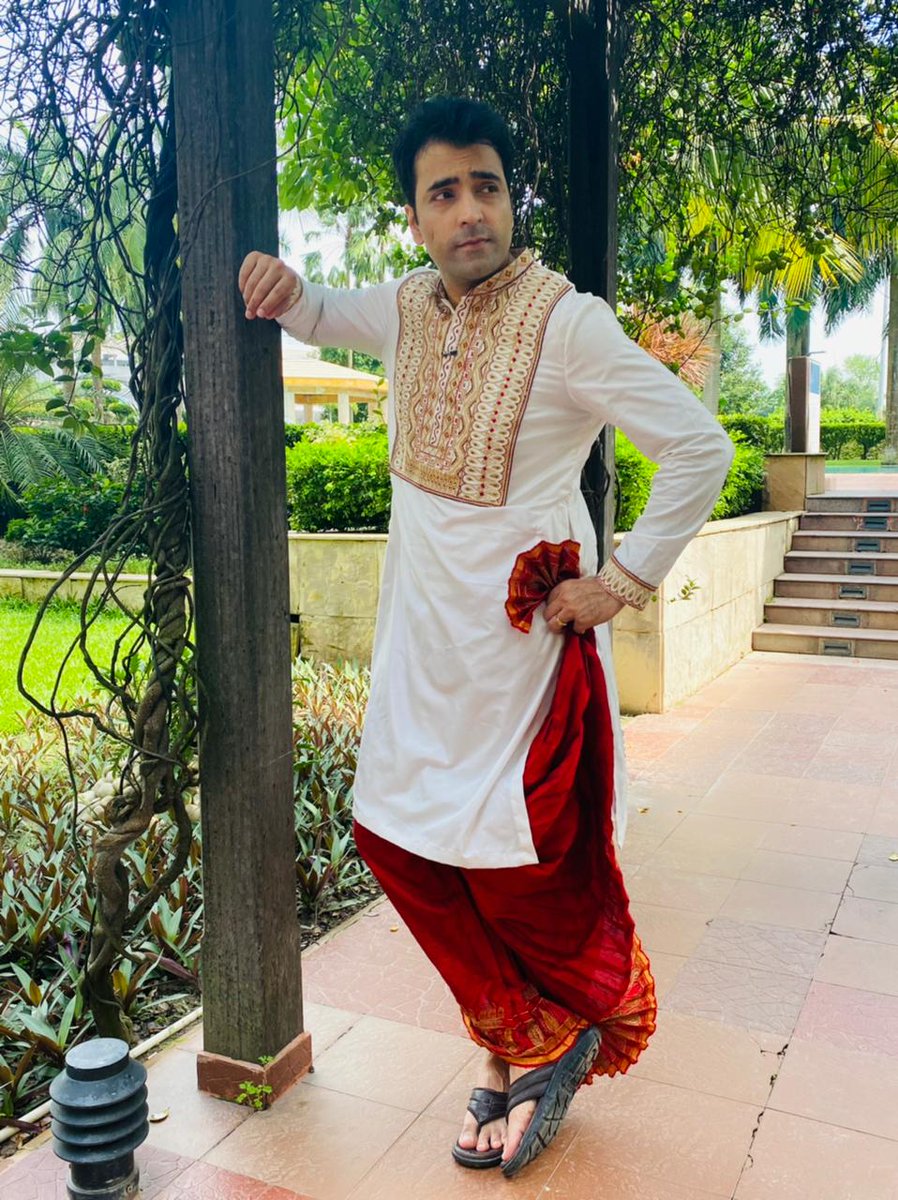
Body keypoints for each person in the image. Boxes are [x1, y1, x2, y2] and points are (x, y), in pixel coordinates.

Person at [238, 96, 733, 1177]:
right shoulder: (404, 308)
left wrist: (619, 582)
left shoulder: (568, 324)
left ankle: (513, 1055)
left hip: (518, 662)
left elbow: (699, 448)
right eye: (444, 193)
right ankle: (528, 1034)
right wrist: (277, 285)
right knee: (396, 840)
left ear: (511, 200)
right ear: (415, 217)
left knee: (510, 863)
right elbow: (316, 310)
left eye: (487, 187)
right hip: (420, 656)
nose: (470, 211)